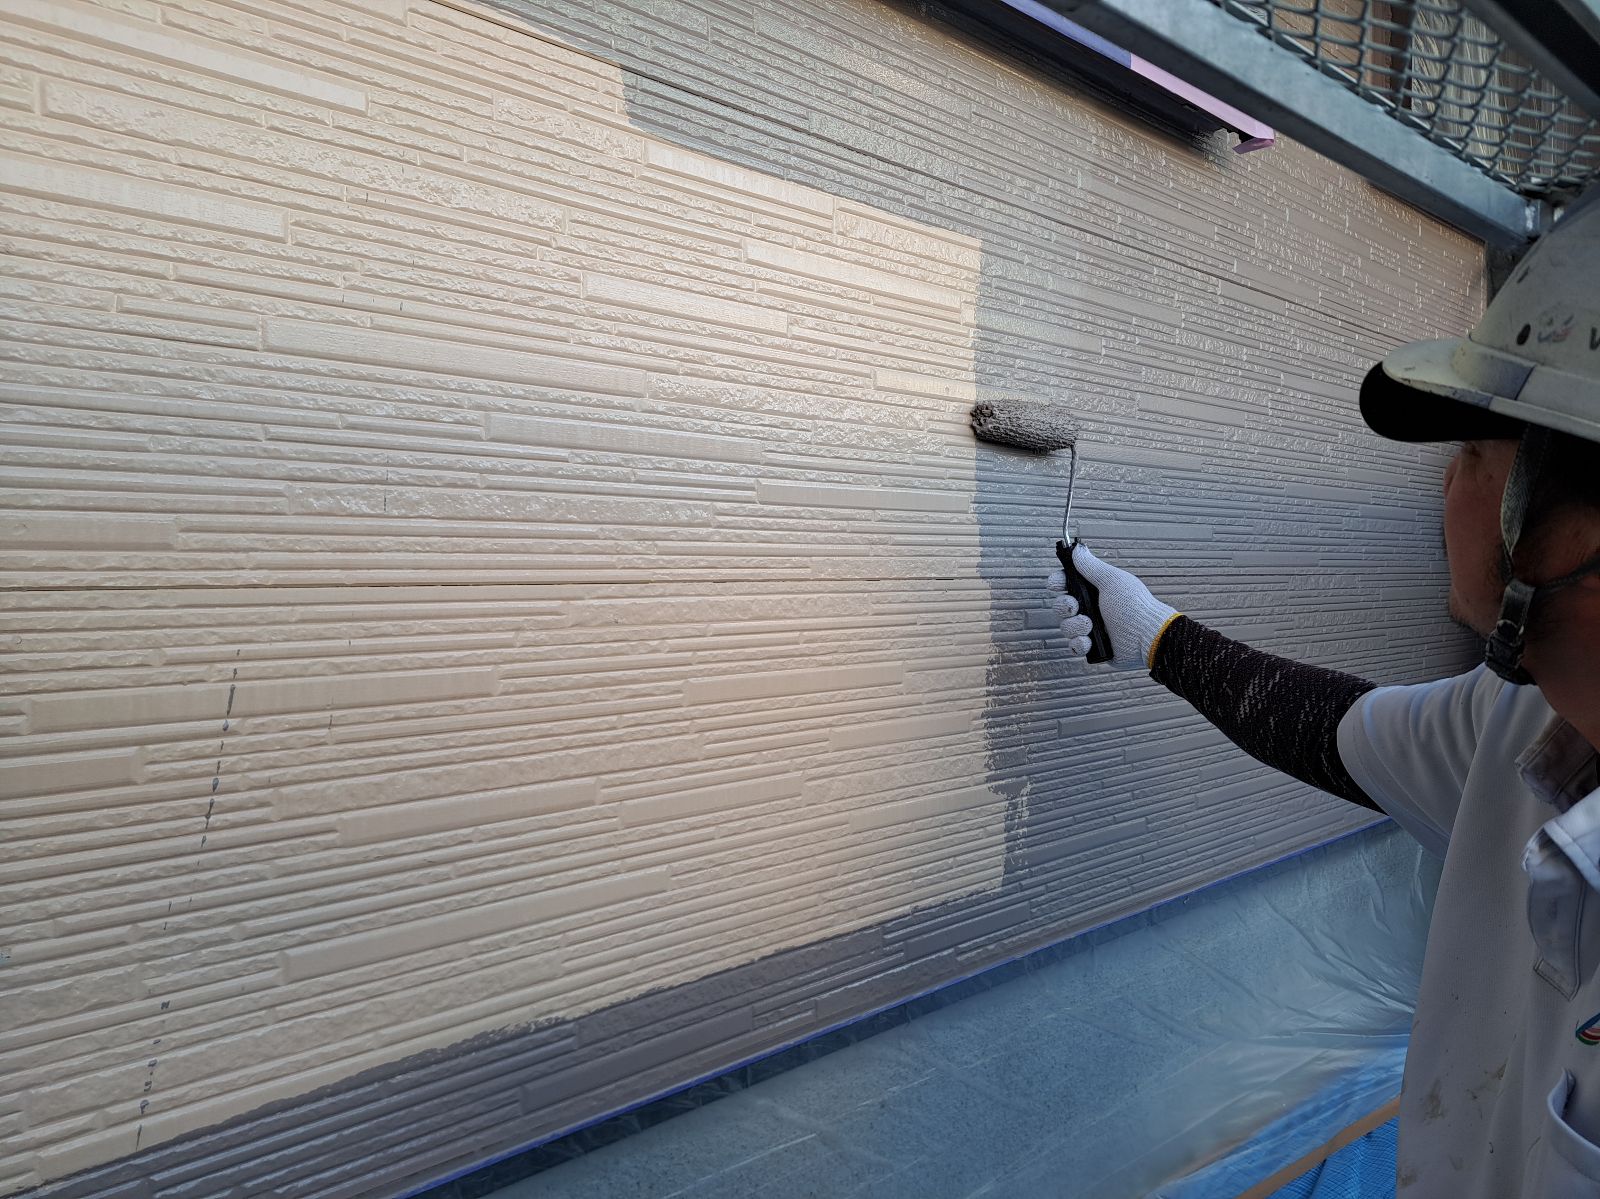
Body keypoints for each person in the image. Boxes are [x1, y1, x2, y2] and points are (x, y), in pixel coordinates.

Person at [1047, 187, 1600, 1197]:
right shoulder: (1523, 717)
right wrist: (1154, 635)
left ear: (1569, 531)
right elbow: (1331, 729)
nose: (1445, 489)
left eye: (1471, 456)